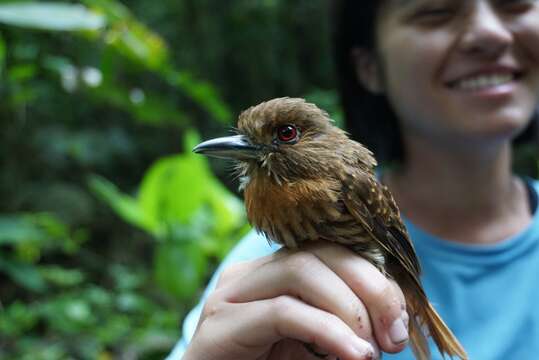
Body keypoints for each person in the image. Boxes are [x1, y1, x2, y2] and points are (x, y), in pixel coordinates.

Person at [170, 0, 539, 359]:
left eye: (515, 4)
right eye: (436, 12)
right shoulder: (255, 266)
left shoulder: (352, 186)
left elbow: (396, 256)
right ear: (368, 66)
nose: (489, 34)